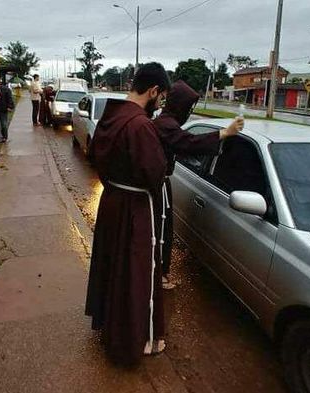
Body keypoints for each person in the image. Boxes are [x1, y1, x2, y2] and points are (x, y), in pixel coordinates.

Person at [85, 62, 171, 365]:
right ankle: (138, 340)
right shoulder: (140, 124)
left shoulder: (111, 115)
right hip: (135, 209)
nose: (160, 104)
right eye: (161, 97)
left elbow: (94, 155)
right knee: (138, 273)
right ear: (153, 91)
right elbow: (154, 173)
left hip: (112, 202)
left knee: (114, 267)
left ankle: (112, 325)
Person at [153, 80, 244, 289]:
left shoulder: (167, 122)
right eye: (189, 106)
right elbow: (188, 143)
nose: (190, 111)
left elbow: (183, 145)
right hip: (159, 185)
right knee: (161, 232)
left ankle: (159, 272)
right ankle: (158, 275)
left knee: (164, 230)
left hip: (161, 184)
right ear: (180, 105)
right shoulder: (167, 125)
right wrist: (224, 133)